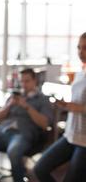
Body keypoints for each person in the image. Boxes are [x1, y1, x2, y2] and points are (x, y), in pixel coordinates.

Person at [0, 68, 53, 182]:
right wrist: (9, 105)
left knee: (14, 152)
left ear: (35, 81)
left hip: (22, 135)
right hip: (3, 132)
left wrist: (26, 106)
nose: (23, 84)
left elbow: (45, 123)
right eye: (21, 81)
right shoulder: (14, 97)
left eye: (27, 81)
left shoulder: (43, 99)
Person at [34, 33, 86, 182]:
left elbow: (80, 106)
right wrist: (65, 105)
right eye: (78, 48)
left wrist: (78, 108)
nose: (80, 52)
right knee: (40, 168)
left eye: (85, 48)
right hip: (71, 134)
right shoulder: (80, 74)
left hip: (84, 140)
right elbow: (77, 101)